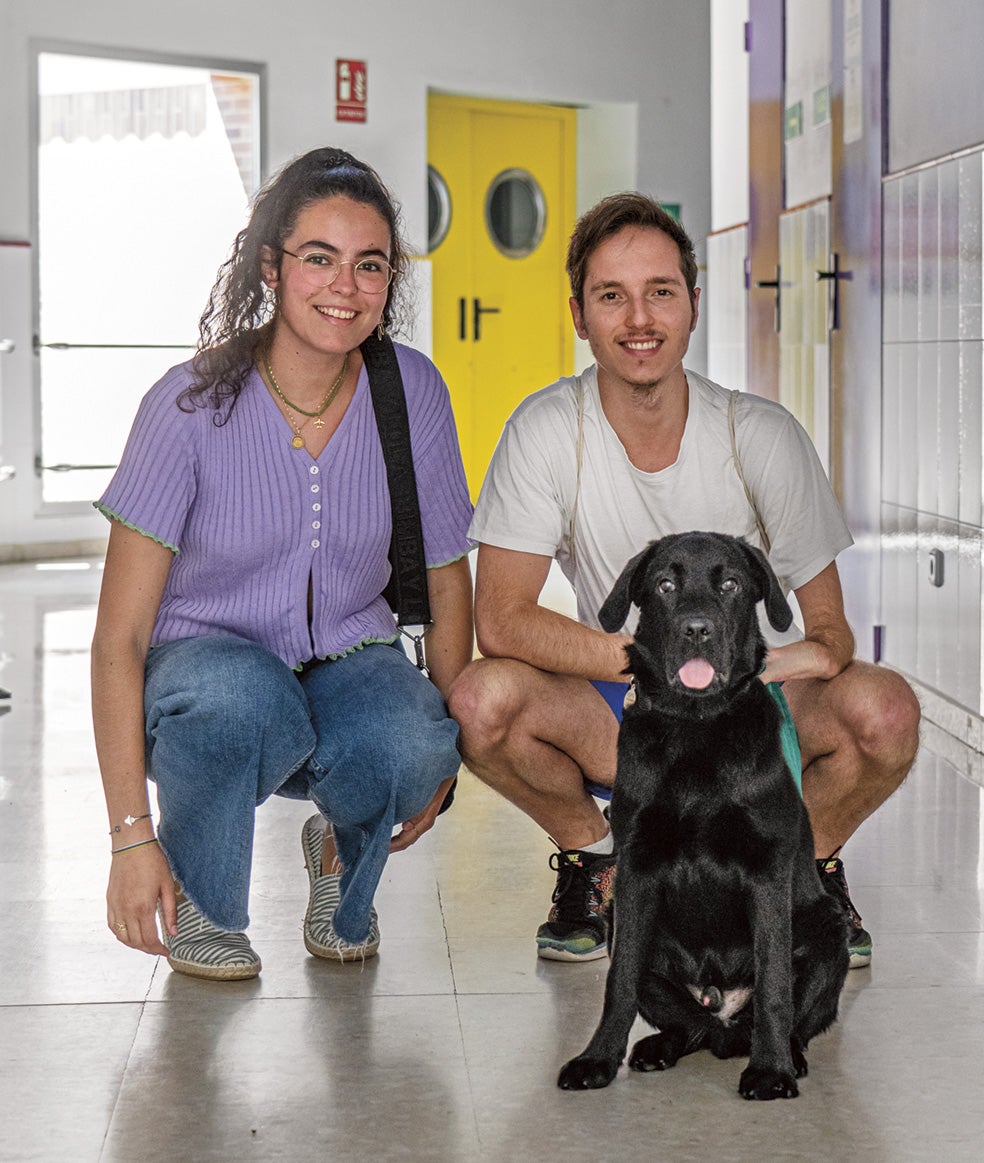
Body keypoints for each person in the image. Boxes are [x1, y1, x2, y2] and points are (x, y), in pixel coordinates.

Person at [449, 192, 919, 969]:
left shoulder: (759, 434)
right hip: (627, 706)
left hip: (754, 709)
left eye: (660, 292)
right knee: (478, 700)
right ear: (578, 313)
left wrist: (743, 672)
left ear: (694, 305)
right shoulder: (543, 431)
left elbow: (832, 637)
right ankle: (595, 860)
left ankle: (800, 870)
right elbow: (500, 619)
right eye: (612, 296)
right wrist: (645, 664)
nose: (639, 318)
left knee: (887, 710)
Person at [91, 147, 473, 980]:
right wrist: (129, 834)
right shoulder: (188, 404)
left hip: (349, 658)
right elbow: (119, 637)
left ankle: (340, 857)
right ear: (271, 266)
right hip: (207, 678)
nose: (345, 286)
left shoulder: (411, 390)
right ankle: (204, 899)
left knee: (411, 739)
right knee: (242, 700)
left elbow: (444, 574)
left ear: (389, 280)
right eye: (319, 258)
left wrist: (448, 747)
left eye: (369, 265)